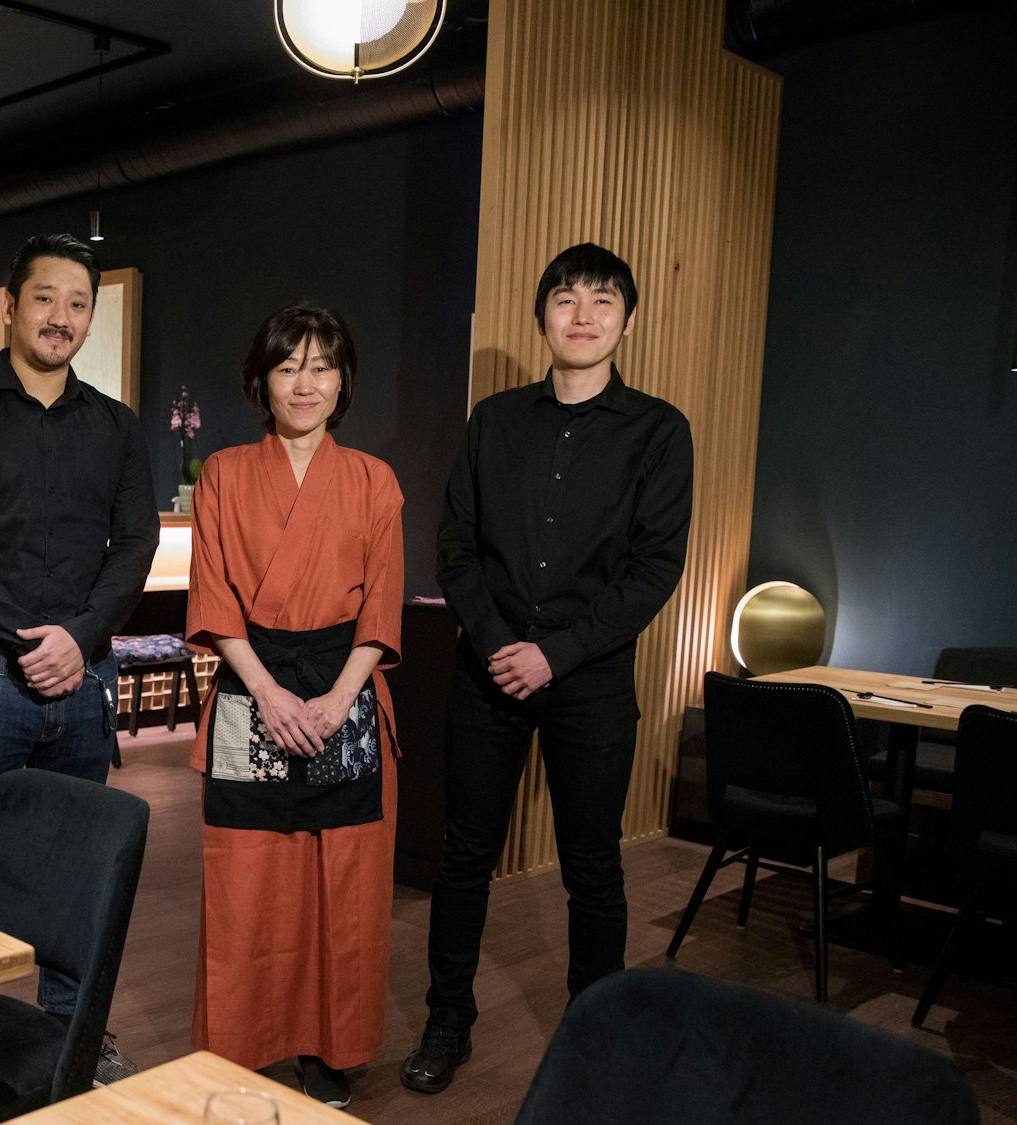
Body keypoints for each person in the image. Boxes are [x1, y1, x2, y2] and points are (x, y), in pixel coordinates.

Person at [403, 242, 693, 1094]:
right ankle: (447, 1020)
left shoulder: (660, 431)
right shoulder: (493, 420)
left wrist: (556, 652)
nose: (583, 314)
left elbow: (655, 569)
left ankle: (594, 1044)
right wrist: (500, 644)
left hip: (591, 678)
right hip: (487, 669)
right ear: (543, 316)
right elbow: (455, 546)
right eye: (567, 298)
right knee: (464, 856)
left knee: (593, 866)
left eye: (602, 301)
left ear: (627, 321)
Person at [0, 232, 158, 1082]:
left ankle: (74, 1036)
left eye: (78, 302)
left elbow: (135, 545)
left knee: (78, 864)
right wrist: (35, 639)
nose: (62, 317)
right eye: (45, 298)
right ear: (10, 307)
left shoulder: (117, 427)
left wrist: (79, 640)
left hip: (85, 676)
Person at [185, 304, 403, 1110]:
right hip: (254, 690)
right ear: (261, 382)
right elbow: (213, 598)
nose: (304, 383)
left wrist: (340, 697)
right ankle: (242, 1046)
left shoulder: (375, 480)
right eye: (287, 367)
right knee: (249, 880)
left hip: (345, 690)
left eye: (321, 366)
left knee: (341, 886)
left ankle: (332, 1050)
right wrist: (271, 693)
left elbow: (381, 609)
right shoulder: (223, 474)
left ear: (342, 379)